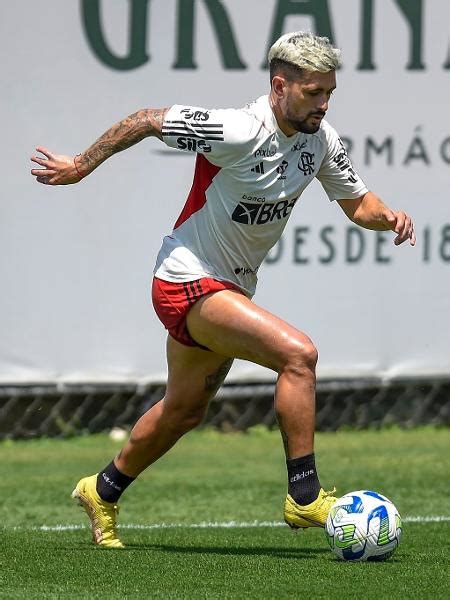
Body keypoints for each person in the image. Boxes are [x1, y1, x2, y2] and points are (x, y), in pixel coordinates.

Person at [31, 31, 415, 548]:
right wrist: (80, 165)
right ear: (280, 86)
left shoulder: (319, 140)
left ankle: (102, 490)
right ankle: (304, 496)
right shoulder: (239, 129)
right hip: (187, 279)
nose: (323, 103)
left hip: (229, 286)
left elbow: (358, 204)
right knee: (298, 355)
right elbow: (145, 120)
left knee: (185, 409)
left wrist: (388, 217)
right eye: (313, 92)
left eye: (329, 93)